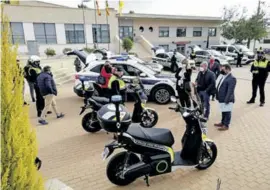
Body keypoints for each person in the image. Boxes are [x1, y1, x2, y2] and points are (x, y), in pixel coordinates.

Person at [215, 64, 237, 131]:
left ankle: (226, 125)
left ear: (228, 69)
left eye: (223, 69)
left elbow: (230, 90)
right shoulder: (223, 76)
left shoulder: (232, 78)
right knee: (223, 111)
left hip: (227, 99)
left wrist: (226, 100)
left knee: (227, 112)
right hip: (222, 98)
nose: (222, 70)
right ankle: (222, 122)